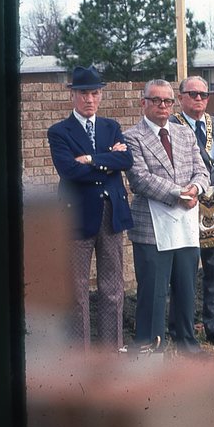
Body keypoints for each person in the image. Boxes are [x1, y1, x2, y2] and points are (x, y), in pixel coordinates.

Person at [47, 65, 134, 351]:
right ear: (72, 95)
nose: (89, 99)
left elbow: (126, 161)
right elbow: (69, 170)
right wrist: (107, 159)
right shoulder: (59, 131)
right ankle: (80, 358)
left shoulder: (111, 127)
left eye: (95, 93)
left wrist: (91, 159)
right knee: (77, 291)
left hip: (111, 213)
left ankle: (111, 352)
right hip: (76, 216)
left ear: (101, 95)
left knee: (112, 288)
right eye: (83, 93)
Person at [123, 79, 210, 354]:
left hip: (185, 224)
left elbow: (202, 170)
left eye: (168, 101)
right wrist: (179, 193)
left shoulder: (184, 133)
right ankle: (151, 346)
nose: (163, 105)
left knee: (186, 287)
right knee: (153, 290)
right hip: (151, 226)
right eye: (156, 100)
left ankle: (187, 343)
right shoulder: (131, 137)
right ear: (143, 103)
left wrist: (196, 189)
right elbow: (140, 179)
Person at [171, 75, 214, 348]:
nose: (199, 98)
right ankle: (181, 328)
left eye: (204, 94)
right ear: (180, 97)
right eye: (193, 94)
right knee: (183, 270)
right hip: (184, 204)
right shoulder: (171, 124)